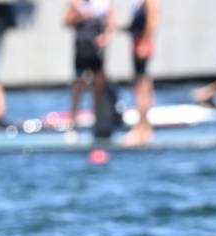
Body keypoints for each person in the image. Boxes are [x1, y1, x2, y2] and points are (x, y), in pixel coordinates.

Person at [64, 0, 116, 131]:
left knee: (98, 84)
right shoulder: (76, 2)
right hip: (81, 47)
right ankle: (73, 121)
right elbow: (66, 21)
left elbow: (112, 22)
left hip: (96, 49)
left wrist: (105, 37)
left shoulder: (103, 3)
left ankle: (98, 119)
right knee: (78, 83)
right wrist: (82, 15)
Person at [123, 0, 158, 146]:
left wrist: (145, 42)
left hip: (142, 43)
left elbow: (152, 20)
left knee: (141, 85)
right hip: (138, 40)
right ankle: (143, 125)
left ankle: (143, 126)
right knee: (140, 83)